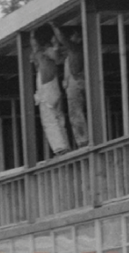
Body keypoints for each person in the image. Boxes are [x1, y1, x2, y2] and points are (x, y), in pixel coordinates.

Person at [30, 28, 71, 157]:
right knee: (58, 116)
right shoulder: (42, 53)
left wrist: (55, 45)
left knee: (49, 118)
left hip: (47, 86)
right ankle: (64, 145)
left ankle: (60, 147)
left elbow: (55, 57)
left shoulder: (45, 52)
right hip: (50, 85)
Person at [53, 23, 90, 150]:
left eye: (75, 35)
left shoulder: (75, 48)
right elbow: (58, 61)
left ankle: (83, 141)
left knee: (75, 112)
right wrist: (56, 48)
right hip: (73, 82)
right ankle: (83, 140)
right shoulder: (71, 52)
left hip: (75, 82)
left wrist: (54, 26)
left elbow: (63, 39)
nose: (74, 37)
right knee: (76, 112)